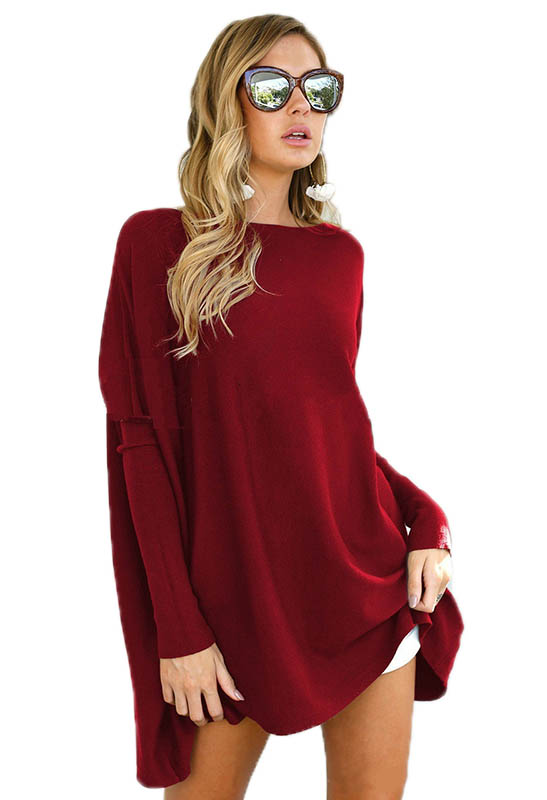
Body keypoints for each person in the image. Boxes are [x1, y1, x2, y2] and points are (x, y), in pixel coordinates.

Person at [98, 14, 463, 798]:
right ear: (225, 101)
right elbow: (141, 446)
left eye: (318, 89)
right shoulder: (158, 246)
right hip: (229, 610)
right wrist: (179, 630)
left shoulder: (340, 257)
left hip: (365, 595)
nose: (300, 106)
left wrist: (426, 522)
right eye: (271, 87)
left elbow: (326, 431)